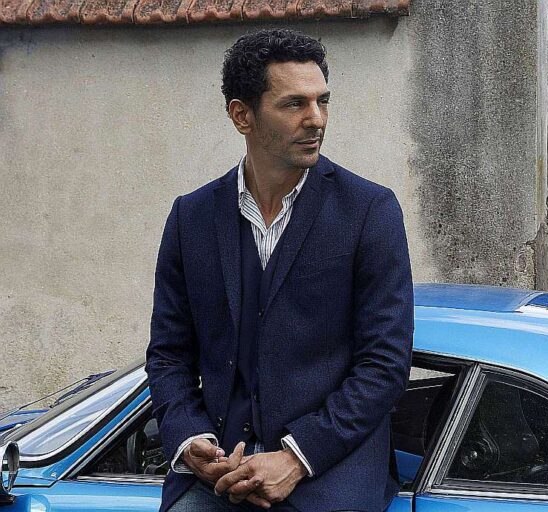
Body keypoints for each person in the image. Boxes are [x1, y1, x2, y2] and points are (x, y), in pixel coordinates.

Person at [145, 29, 414, 512]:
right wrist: (189, 439)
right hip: (219, 476)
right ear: (241, 115)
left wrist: (296, 457)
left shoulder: (368, 211)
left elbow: (385, 364)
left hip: (326, 473)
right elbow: (169, 354)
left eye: (322, 101)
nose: (316, 119)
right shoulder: (192, 218)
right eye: (294, 104)